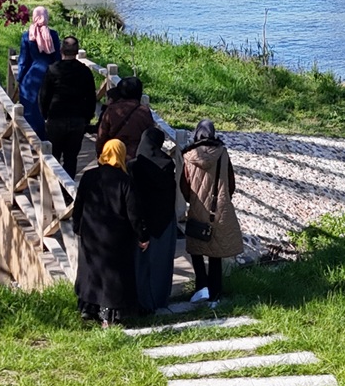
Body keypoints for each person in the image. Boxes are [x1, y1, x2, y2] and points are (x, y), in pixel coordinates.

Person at [70, 139, 144, 326]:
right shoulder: (125, 181)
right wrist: (143, 236)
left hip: (91, 234)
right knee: (112, 278)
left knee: (91, 271)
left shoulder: (88, 176)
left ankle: (88, 309)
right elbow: (133, 213)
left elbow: (78, 205)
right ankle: (107, 316)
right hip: (116, 238)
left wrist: (77, 226)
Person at [180, 119, 243, 302]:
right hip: (219, 208)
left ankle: (201, 287)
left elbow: (184, 184)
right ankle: (215, 294)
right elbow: (231, 183)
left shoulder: (189, 155)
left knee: (195, 248)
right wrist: (223, 198)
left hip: (197, 206)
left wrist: (192, 201)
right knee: (216, 252)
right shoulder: (222, 154)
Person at [132, 127, 181, 313]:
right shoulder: (168, 164)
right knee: (162, 263)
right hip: (165, 221)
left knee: (141, 264)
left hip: (142, 222)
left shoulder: (135, 165)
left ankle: (141, 302)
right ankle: (160, 300)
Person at [39, 35, 98, 177]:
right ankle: (67, 192)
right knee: (71, 159)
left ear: (61, 50)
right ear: (77, 52)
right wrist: (87, 118)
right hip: (77, 120)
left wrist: (45, 115)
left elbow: (44, 95)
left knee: (53, 157)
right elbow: (91, 97)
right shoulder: (85, 72)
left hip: (56, 118)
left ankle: (53, 189)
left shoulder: (52, 70)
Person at [16, 6, 61, 141]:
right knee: (50, 105)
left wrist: (20, 78)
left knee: (30, 106)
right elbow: (57, 57)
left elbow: (23, 60)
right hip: (50, 74)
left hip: (32, 75)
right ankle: (49, 137)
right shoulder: (53, 35)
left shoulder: (28, 35)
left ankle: (33, 137)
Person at [96, 75, 153, 156]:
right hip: (135, 157)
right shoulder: (144, 112)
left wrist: (100, 153)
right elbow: (150, 136)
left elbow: (102, 135)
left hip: (113, 155)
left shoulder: (112, 110)